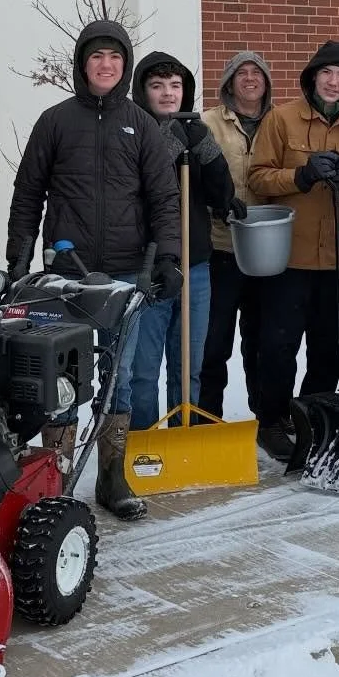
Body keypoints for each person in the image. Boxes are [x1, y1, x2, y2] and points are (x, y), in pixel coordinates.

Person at [5, 20, 181, 520]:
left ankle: (111, 475)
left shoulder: (141, 125)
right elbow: (28, 195)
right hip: (66, 273)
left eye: (115, 57)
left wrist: (166, 257)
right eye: (97, 56)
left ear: (124, 65)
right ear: (83, 63)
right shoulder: (55, 121)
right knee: (56, 371)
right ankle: (54, 476)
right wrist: (18, 256)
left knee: (118, 375)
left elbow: (164, 198)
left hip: (125, 273)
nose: (106, 65)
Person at [247, 41, 339, 461]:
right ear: (312, 77)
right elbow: (258, 180)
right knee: (279, 345)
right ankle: (273, 420)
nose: (334, 83)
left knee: (328, 348)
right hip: (290, 257)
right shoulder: (281, 120)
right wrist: (301, 175)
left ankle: (312, 416)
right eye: (327, 74)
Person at [129, 51, 241, 430]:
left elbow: (218, 191)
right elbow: (138, 190)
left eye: (175, 86)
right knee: (142, 373)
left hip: (195, 265)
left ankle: (184, 439)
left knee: (188, 366)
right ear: (142, 90)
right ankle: (142, 443)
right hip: (150, 266)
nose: (167, 93)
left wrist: (205, 153)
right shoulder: (130, 131)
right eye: (157, 85)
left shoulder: (196, 131)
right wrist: (170, 142)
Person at [199, 51, 272, 419]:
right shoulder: (209, 121)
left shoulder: (279, 121)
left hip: (266, 251)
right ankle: (207, 418)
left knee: (261, 343)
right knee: (214, 344)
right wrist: (217, 201)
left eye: (256, 72)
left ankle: (265, 416)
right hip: (221, 248)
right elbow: (196, 173)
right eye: (240, 72)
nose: (248, 78)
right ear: (229, 82)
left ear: (266, 82)